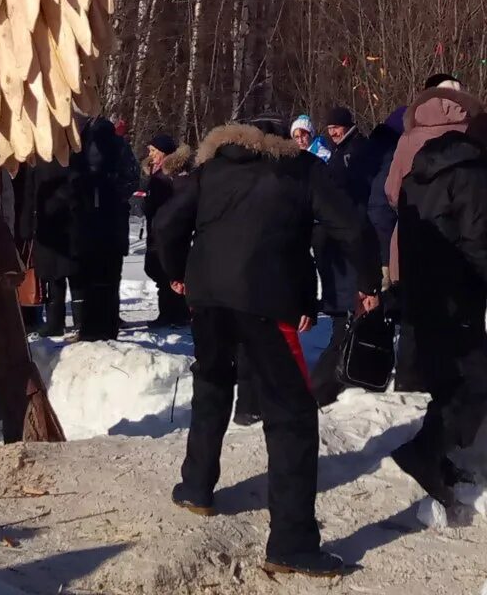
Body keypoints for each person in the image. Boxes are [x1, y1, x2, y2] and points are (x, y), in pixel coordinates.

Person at [153, 118, 380, 579]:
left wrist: (178, 271)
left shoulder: (212, 169)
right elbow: (352, 224)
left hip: (208, 295)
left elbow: (165, 221)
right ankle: (292, 543)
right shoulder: (299, 170)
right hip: (264, 298)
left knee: (213, 379)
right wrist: (369, 281)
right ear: (281, 142)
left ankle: (197, 487)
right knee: (292, 415)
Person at [388, 95, 487, 506]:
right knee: (477, 384)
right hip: (457, 294)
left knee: (447, 382)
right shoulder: (474, 174)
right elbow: (482, 244)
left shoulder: (421, 169)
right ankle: (423, 452)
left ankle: (436, 455)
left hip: (424, 290)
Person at [367, 73, 461, 263]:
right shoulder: (472, 132)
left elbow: (390, 193)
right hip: (455, 236)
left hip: (416, 233)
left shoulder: (408, 137)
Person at [71, 118, 138, 342]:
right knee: (111, 281)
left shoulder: (80, 151)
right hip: (114, 227)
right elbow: (132, 180)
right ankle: (109, 328)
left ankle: (90, 328)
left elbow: (69, 183)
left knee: (89, 280)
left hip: (87, 225)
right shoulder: (121, 149)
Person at [15, 156, 79, 337]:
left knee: (53, 278)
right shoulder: (73, 155)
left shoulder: (36, 160)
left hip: (47, 224)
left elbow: (29, 194)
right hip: (68, 224)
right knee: (72, 276)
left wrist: (25, 228)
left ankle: (55, 323)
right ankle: (79, 321)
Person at [142, 134, 194, 327]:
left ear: (163, 152)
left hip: (169, 231)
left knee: (167, 272)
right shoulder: (156, 172)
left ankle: (175, 314)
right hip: (156, 228)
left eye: (154, 151)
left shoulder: (173, 174)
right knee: (158, 271)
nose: (150, 154)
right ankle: (172, 313)